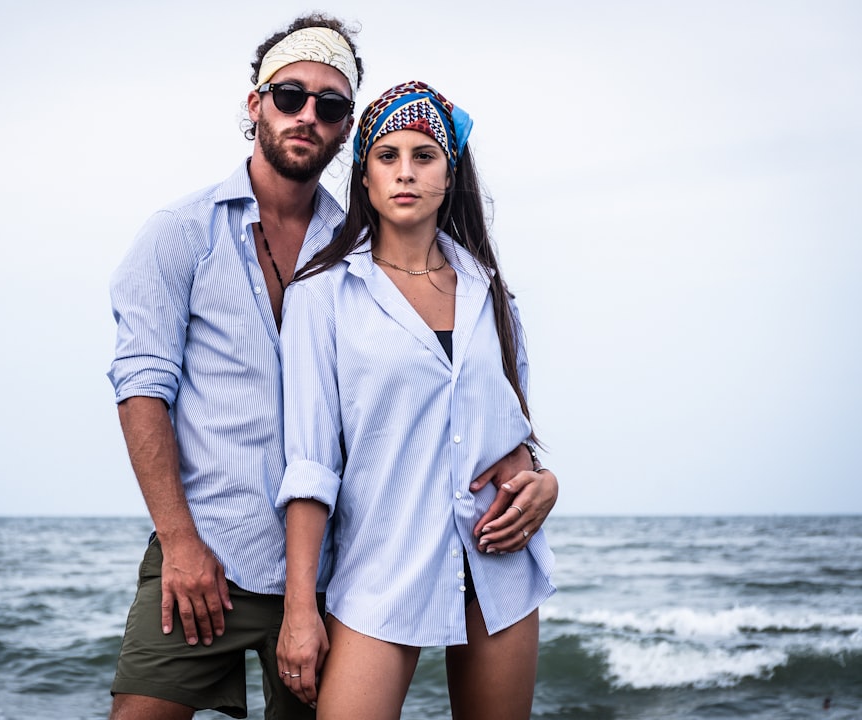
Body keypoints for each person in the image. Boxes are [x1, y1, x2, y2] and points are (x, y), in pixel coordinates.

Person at [106, 13, 558, 718]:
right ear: (255, 102)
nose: (307, 115)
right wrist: (180, 541)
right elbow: (142, 390)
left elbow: (494, 428)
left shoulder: (428, 271)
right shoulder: (196, 239)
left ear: (346, 129)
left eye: (331, 105)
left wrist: (540, 476)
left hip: (361, 567)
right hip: (215, 552)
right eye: (290, 95)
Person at [276, 81, 556, 720]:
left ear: (450, 175)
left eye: (424, 156)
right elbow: (311, 463)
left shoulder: (493, 295)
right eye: (388, 156)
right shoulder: (322, 296)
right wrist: (299, 610)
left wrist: (546, 481)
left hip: (498, 561)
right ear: (364, 176)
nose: (406, 172)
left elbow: (511, 438)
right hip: (382, 566)